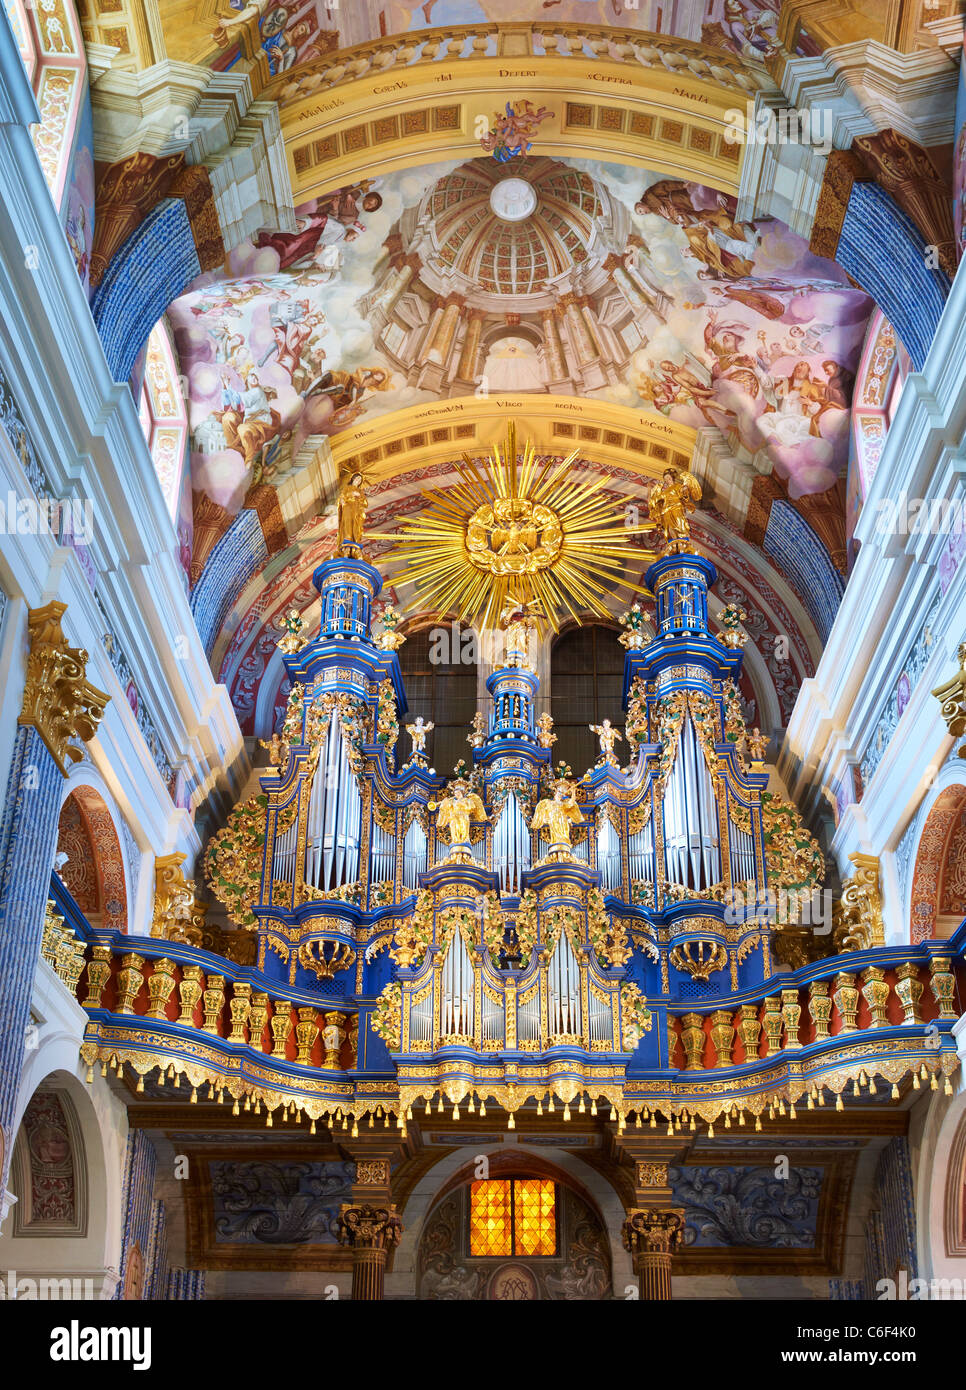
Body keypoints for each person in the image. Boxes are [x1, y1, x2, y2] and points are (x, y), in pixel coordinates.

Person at [532, 779, 584, 859]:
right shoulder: (548, 803)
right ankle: (555, 844)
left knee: (563, 835)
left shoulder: (563, 804)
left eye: (563, 793)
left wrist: (573, 792)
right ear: (556, 792)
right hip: (554, 822)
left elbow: (571, 803)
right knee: (555, 834)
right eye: (560, 792)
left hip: (563, 822)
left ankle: (564, 845)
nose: (561, 795)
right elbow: (545, 815)